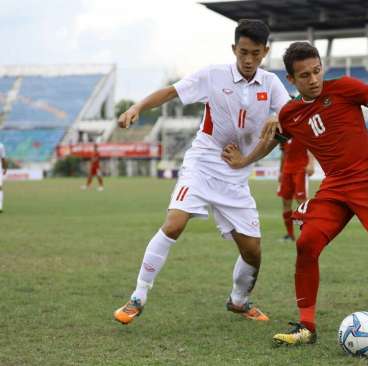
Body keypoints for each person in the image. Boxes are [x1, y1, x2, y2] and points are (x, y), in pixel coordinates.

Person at [221, 41, 368, 345]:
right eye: (305, 75)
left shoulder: (345, 87)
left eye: (317, 71)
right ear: (292, 81)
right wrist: (245, 160)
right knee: (307, 243)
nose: (314, 79)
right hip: (335, 186)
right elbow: (272, 141)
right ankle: (307, 326)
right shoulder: (290, 113)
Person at [112, 19, 290, 325]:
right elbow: (170, 92)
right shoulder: (213, 75)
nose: (248, 60)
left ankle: (239, 301)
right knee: (174, 223)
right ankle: (137, 297)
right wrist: (137, 108)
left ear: (265, 52)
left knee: (253, 252)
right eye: (243, 52)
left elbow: (290, 119)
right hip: (203, 162)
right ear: (234, 49)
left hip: (236, 174)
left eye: (255, 54)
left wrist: (279, 119)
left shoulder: (272, 84)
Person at [278, 138, 314, 241]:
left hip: (300, 170)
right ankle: (290, 235)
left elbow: (311, 148)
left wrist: (311, 164)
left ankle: (309, 232)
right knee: (286, 203)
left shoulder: (301, 129)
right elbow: (283, 154)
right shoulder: (283, 133)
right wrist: (281, 171)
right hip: (286, 171)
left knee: (302, 202)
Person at [0, 142, 6, 213]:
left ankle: (0, 206)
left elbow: (3, 158)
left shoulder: (1, 146)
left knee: (0, 187)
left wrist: (5, 168)